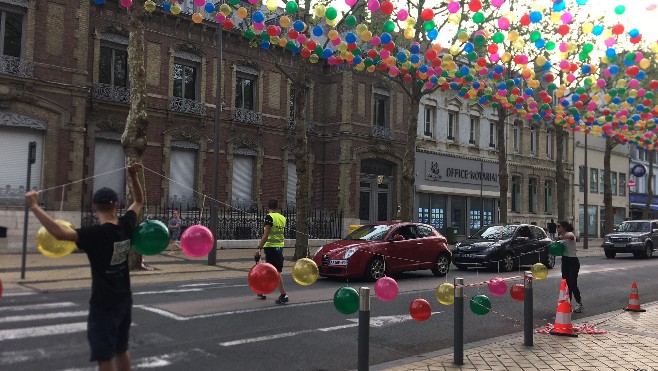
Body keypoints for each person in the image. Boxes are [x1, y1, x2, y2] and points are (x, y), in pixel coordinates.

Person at [25, 163, 144, 371]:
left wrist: (35, 207)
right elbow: (139, 201)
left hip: (103, 304)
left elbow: (60, 234)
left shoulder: (93, 235)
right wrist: (133, 175)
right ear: (117, 206)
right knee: (121, 349)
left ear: (93, 208)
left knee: (104, 356)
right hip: (124, 299)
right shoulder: (126, 225)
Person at [254, 199, 288, 304]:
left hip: (270, 248)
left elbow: (266, 234)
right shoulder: (283, 218)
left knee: (274, 272)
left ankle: (283, 295)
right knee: (270, 271)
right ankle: (263, 291)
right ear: (278, 207)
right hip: (279, 247)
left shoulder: (269, 217)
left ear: (267, 207)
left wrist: (259, 247)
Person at [555, 220, 582, 313]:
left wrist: (559, 238)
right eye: (556, 226)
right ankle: (568, 304)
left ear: (564, 227)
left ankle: (579, 303)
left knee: (572, 284)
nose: (557, 228)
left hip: (573, 261)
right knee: (566, 284)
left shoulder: (569, 234)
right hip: (565, 260)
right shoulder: (562, 238)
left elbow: (570, 237)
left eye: (559, 226)